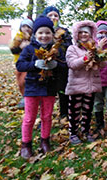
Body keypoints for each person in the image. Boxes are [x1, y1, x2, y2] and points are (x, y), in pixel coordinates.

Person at [16, 16, 66, 159]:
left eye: (47, 33)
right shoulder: (29, 50)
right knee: (29, 117)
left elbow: (64, 66)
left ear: (52, 34)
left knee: (47, 116)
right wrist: (34, 65)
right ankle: (26, 144)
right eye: (41, 33)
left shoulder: (56, 50)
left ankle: (45, 141)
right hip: (32, 88)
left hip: (49, 88)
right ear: (35, 35)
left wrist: (56, 65)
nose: (44, 36)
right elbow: (20, 65)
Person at [65, 20, 106, 145]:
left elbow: (103, 64)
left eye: (86, 33)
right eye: (81, 32)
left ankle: (86, 130)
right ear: (76, 34)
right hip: (76, 86)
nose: (83, 35)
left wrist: (100, 54)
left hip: (91, 85)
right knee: (74, 110)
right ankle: (73, 132)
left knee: (88, 109)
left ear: (91, 34)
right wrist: (85, 58)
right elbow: (72, 64)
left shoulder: (95, 48)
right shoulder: (72, 48)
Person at [43, 6, 73, 119]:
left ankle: (64, 112)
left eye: (56, 15)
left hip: (61, 65)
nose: (53, 17)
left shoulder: (63, 31)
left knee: (63, 90)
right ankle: (46, 115)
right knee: (48, 91)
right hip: (47, 66)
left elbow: (69, 46)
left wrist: (58, 45)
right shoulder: (43, 31)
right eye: (50, 15)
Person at [10, 18, 33, 109]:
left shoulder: (33, 38)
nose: (26, 28)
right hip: (18, 63)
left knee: (25, 80)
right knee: (20, 82)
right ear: (20, 28)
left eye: (29, 27)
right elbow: (13, 50)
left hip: (28, 63)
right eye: (24, 26)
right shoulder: (18, 37)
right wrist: (21, 47)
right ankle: (24, 95)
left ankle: (27, 97)